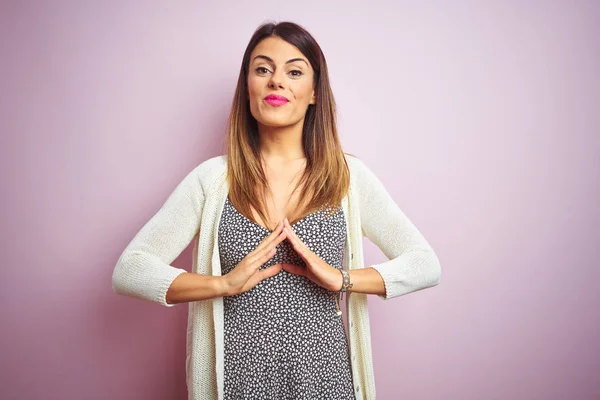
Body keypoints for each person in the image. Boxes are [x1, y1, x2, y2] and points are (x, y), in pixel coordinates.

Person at [112, 21, 441, 400]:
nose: (276, 81)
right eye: (263, 69)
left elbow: (424, 264)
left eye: (294, 71)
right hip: (237, 387)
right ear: (248, 87)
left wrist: (343, 279)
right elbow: (131, 269)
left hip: (327, 387)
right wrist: (221, 284)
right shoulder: (213, 180)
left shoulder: (348, 178)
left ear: (314, 92)